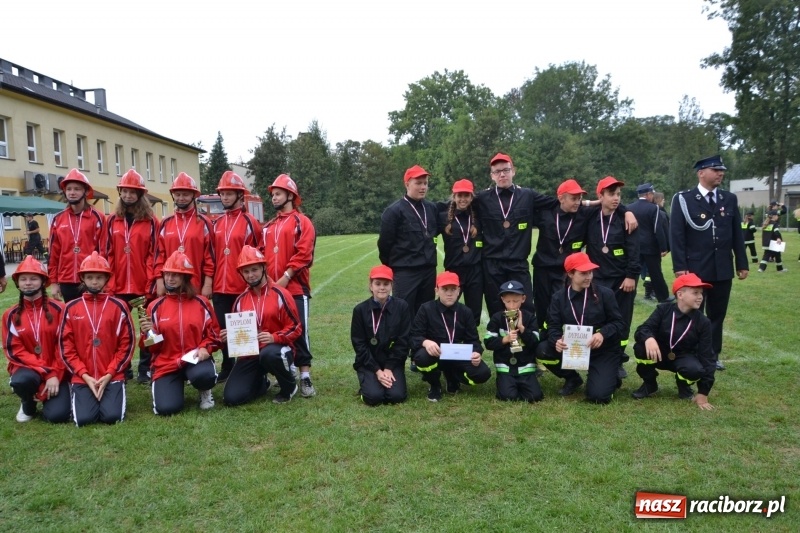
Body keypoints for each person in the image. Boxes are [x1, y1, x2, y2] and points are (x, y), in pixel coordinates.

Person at [670, 155, 748, 371]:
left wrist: (742, 263)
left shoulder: (728, 199)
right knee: (693, 312)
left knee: (717, 314)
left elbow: (736, 234)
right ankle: (691, 351)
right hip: (696, 268)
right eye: (715, 169)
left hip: (722, 267)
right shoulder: (684, 199)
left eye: (722, 170)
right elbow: (677, 235)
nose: (720, 173)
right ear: (701, 172)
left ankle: (713, 354)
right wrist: (679, 266)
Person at [472, 153, 557, 316]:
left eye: (506, 170)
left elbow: (560, 202)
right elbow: (457, 204)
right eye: (497, 171)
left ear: (514, 171)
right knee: (496, 307)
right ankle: (500, 340)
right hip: (492, 264)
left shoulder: (528, 195)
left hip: (518, 263)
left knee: (526, 307)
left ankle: (526, 340)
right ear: (492, 175)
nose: (502, 174)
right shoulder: (482, 198)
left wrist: (620, 209)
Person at [535, 253, 625, 404]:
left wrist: (602, 334)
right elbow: (553, 326)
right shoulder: (559, 298)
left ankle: (610, 374)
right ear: (570, 274)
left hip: (602, 349)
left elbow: (618, 323)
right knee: (543, 350)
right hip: (574, 348)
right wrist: (557, 340)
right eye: (583, 273)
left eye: (590, 272)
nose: (589, 277)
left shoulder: (605, 294)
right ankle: (572, 378)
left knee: (598, 397)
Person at [59, 253, 134, 426]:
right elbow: (66, 347)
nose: (94, 282)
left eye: (99, 277)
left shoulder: (119, 306)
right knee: (84, 419)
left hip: (111, 374)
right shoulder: (71, 307)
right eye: (90, 277)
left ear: (107, 278)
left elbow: (127, 344)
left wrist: (109, 374)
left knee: (111, 417)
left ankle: (113, 389)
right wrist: (84, 375)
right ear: (83, 279)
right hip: (83, 376)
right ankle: (80, 390)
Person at [141, 250, 220, 414]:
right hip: (167, 363)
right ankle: (172, 389)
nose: (170, 278)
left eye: (175, 275)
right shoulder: (154, 306)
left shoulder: (202, 303)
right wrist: (150, 334)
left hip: (195, 358)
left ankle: (204, 390)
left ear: (186, 277)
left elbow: (214, 335)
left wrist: (206, 348)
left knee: (204, 376)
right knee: (167, 409)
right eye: (167, 274)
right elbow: (151, 347)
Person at [222, 246, 301, 405]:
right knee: (232, 398)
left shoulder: (280, 294)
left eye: (254, 270)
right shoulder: (240, 300)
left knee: (270, 355)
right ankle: (261, 383)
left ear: (264, 268)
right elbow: (238, 334)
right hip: (250, 354)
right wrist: (229, 336)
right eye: (246, 272)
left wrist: (274, 337)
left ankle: (289, 387)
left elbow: (295, 327)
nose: (251, 275)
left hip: (277, 349)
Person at [261, 174, 317, 397]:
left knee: (299, 332)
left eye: (278, 194)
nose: (274, 198)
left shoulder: (302, 222)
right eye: (273, 194)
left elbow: (305, 253)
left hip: (294, 288)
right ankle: (286, 373)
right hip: (271, 289)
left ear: (290, 195)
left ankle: (305, 376)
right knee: (276, 332)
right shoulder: (269, 225)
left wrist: (286, 276)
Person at [631, 273, 716, 410]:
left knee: (695, 369)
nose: (700, 296)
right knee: (641, 348)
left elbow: (707, 357)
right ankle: (649, 383)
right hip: (660, 353)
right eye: (695, 292)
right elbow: (643, 329)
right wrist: (649, 338)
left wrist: (703, 392)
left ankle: (683, 386)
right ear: (680, 295)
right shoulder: (663, 309)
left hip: (684, 357)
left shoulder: (703, 322)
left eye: (701, 293)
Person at [106, 168, 159, 384]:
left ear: (140, 194)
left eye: (132, 192)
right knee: (120, 329)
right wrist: (109, 282)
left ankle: (146, 368)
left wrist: (150, 282)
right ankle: (123, 367)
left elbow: (153, 254)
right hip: (118, 286)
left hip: (142, 285)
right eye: (124, 192)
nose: (128, 196)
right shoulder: (112, 220)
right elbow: (108, 253)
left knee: (148, 329)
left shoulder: (151, 221)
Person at [2, 256, 69, 423]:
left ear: (43, 281)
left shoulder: (60, 309)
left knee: (57, 416)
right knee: (22, 380)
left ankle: (51, 395)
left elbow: (65, 346)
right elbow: (15, 351)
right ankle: (28, 403)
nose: (28, 283)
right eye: (23, 279)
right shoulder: (9, 315)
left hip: (57, 368)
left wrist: (56, 373)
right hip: (29, 369)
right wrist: (48, 373)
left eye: (33, 278)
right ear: (17, 283)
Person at [585, 177, 640, 380]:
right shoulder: (591, 216)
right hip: (597, 280)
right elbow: (572, 204)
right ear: (601, 196)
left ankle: (618, 359)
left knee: (621, 320)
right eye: (611, 194)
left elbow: (634, 251)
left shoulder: (627, 220)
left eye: (618, 195)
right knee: (598, 318)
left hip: (621, 280)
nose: (616, 198)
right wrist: (594, 203)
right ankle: (596, 357)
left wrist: (631, 276)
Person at [212, 171, 262, 383]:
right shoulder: (217, 223)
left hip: (241, 286)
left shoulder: (250, 222)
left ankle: (246, 366)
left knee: (242, 329)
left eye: (229, 193)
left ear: (240, 196)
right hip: (219, 286)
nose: (224, 197)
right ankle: (227, 363)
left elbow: (259, 252)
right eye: (222, 193)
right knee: (223, 328)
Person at [410, 271, 491, 402]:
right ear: (437, 290)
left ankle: (453, 377)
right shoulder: (426, 309)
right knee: (421, 358)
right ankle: (434, 384)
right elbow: (414, 336)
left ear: (458, 290)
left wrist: (476, 353)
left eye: (453, 289)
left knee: (483, 373)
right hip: (435, 355)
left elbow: (473, 340)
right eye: (445, 289)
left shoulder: (465, 311)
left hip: (457, 355)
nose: (449, 293)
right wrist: (426, 342)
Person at [378, 165, 439, 316]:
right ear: (407, 184)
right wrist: (396, 266)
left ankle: (422, 340)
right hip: (405, 271)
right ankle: (402, 340)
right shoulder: (394, 211)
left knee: (425, 312)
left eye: (425, 183)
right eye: (418, 183)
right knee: (403, 311)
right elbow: (385, 244)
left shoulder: (431, 208)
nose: (423, 187)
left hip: (428, 271)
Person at [351, 265, 412, 406]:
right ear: (371, 286)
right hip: (369, 362)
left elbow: (403, 341)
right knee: (373, 397)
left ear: (391, 285)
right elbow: (359, 344)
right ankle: (367, 382)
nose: (382, 288)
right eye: (377, 284)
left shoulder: (402, 307)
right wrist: (377, 371)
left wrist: (389, 367)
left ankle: (386, 377)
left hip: (392, 361)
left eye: (386, 284)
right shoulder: (360, 310)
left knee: (397, 396)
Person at [153, 172, 215, 298]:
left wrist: (208, 284)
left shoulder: (204, 222)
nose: (181, 198)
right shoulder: (166, 222)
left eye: (185, 194)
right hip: (170, 283)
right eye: (178, 194)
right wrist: (159, 281)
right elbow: (159, 255)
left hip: (195, 284)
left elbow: (210, 256)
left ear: (194, 195)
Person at [48, 169, 106, 302]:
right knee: (71, 318)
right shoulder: (58, 219)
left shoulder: (98, 218)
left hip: (91, 279)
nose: (72, 192)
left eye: (77, 189)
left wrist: (103, 279)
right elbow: (53, 253)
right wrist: (54, 282)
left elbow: (104, 251)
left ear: (85, 191)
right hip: (66, 279)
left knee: (92, 319)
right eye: (69, 189)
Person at [483, 280, 542, 402]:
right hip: (505, 366)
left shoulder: (530, 318)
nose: (512, 305)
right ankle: (505, 383)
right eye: (508, 301)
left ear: (523, 299)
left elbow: (535, 342)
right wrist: (505, 339)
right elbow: (488, 342)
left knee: (534, 397)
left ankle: (526, 383)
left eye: (516, 301)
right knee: (508, 396)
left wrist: (522, 329)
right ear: (502, 300)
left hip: (526, 366)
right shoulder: (497, 318)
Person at [438, 179, 483, 323]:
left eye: (466, 195)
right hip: (453, 271)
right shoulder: (443, 217)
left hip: (475, 271)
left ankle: (472, 342)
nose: (463, 199)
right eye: (459, 195)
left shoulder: (478, 216)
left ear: (471, 197)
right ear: (454, 196)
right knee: (448, 309)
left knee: (474, 310)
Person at [627, 183, 670, 303]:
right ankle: (663, 296)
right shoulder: (653, 208)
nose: (652, 196)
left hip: (635, 246)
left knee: (633, 272)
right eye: (651, 194)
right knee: (655, 273)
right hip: (651, 247)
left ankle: (629, 296)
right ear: (648, 194)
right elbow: (657, 229)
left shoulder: (630, 207)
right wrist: (663, 247)